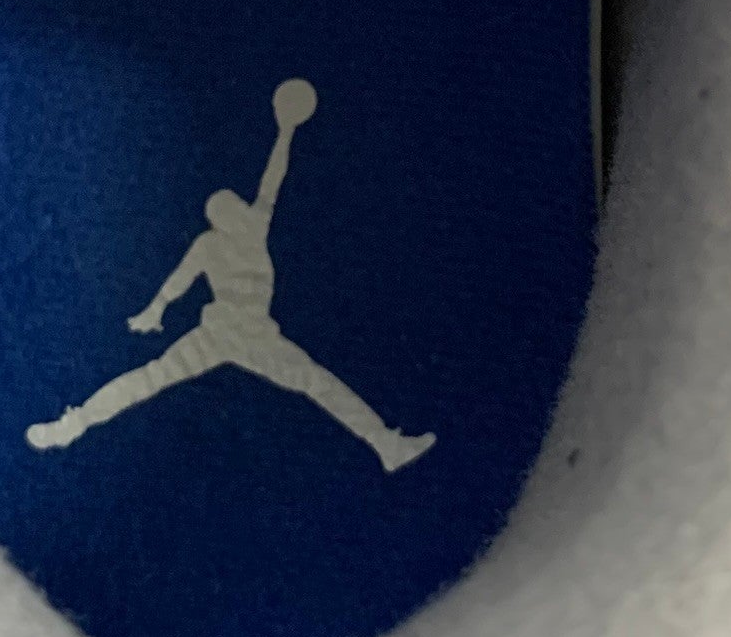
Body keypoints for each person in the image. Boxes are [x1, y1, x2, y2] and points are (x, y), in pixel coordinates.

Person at [27, 80, 435, 472]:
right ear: (222, 218)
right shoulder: (222, 240)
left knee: (305, 381)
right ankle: (73, 424)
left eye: (234, 205)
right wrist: (156, 309)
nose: (237, 209)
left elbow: (272, 178)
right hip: (227, 331)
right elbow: (181, 278)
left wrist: (286, 132)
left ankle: (386, 444)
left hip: (250, 332)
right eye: (227, 209)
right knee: (162, 378)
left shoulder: (249, 230)